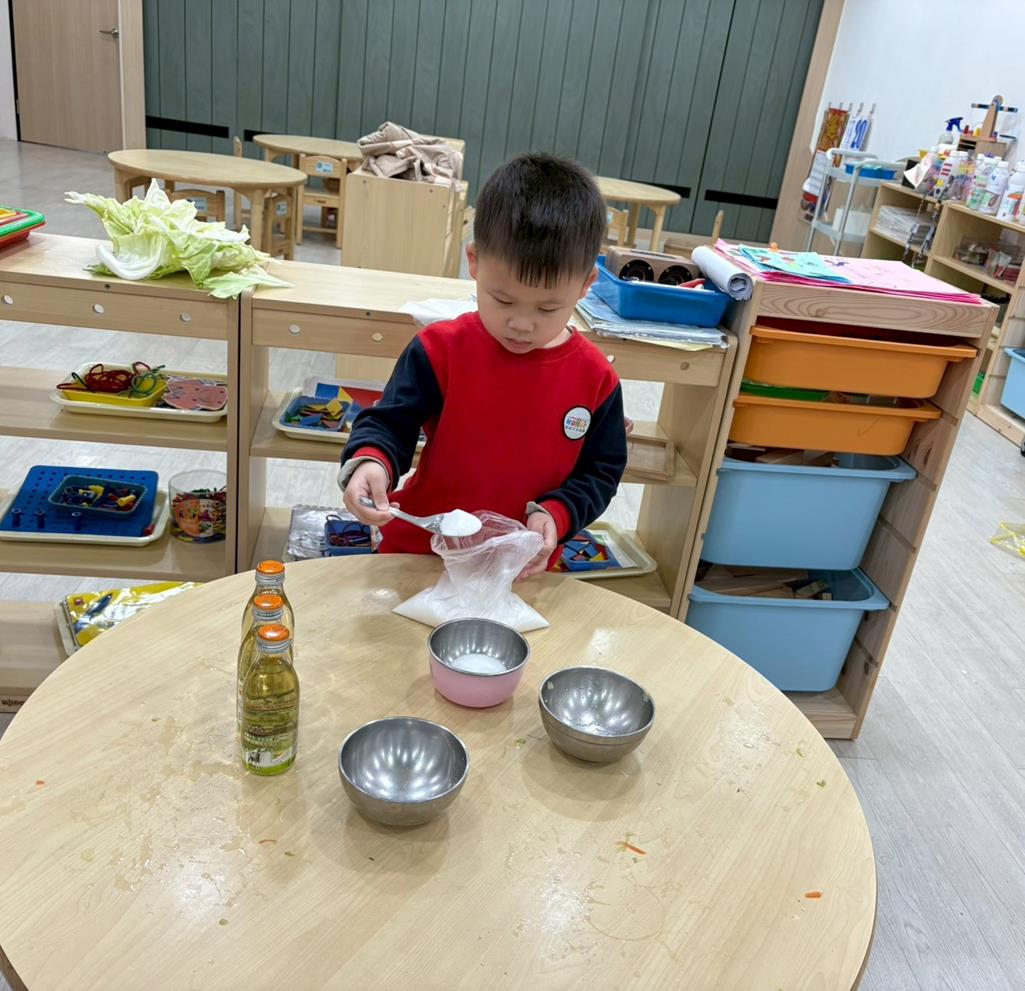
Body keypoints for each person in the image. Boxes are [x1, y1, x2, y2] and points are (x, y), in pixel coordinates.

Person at [338, 152, 627, 579]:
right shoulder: (440, 349)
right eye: (502, 299)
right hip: (419, 551)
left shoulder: (596, 379)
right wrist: (371, 462)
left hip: (518, 565)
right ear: (473, 261)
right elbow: (390, 422)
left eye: (548, 308)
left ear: (586, 284)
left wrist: (558, 513)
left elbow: (600, 472)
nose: (522, 323)